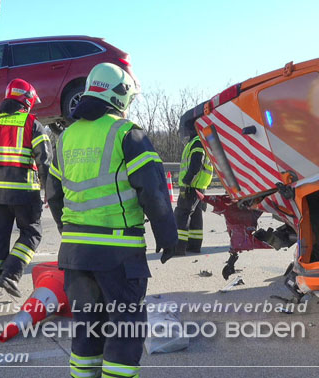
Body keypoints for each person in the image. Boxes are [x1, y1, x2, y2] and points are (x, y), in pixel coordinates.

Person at [47, 63, 178, 378]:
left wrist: (71, 231)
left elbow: (53, 194)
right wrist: (168, 236)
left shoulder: (66, 137)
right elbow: (154, 190)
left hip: (75, 253)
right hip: (118, 253)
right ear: (120, 96)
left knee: (87, 329)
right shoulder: (126, 133)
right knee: (125, 330)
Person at [0, 79, 51, 303]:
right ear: (27, 100)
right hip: (23, 192)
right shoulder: (32, 123)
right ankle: (11, 275)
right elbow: (44, 160)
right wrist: (48, 188)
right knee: (32, 233)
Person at [174, 125, 214, 255]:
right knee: (196, 215)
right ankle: (194, 245)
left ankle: (177, 247)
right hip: (199, 185)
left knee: (182, 214)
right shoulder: (201, 140)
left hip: (192, 185)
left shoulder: (197, 141)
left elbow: (196, 164)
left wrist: (186, 182)